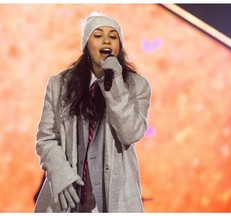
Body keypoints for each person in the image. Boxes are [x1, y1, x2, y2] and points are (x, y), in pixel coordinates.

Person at [34, 12, 151, 213]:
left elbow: (130, 133)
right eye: (98, 35)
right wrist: (61, 175)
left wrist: (115, 83)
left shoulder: (136, 85)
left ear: (119, 46)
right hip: (67, 197)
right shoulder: (59, 85)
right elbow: (46, 138)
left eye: (113, 36)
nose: (106, 40)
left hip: (115, 199)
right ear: (87, 45)